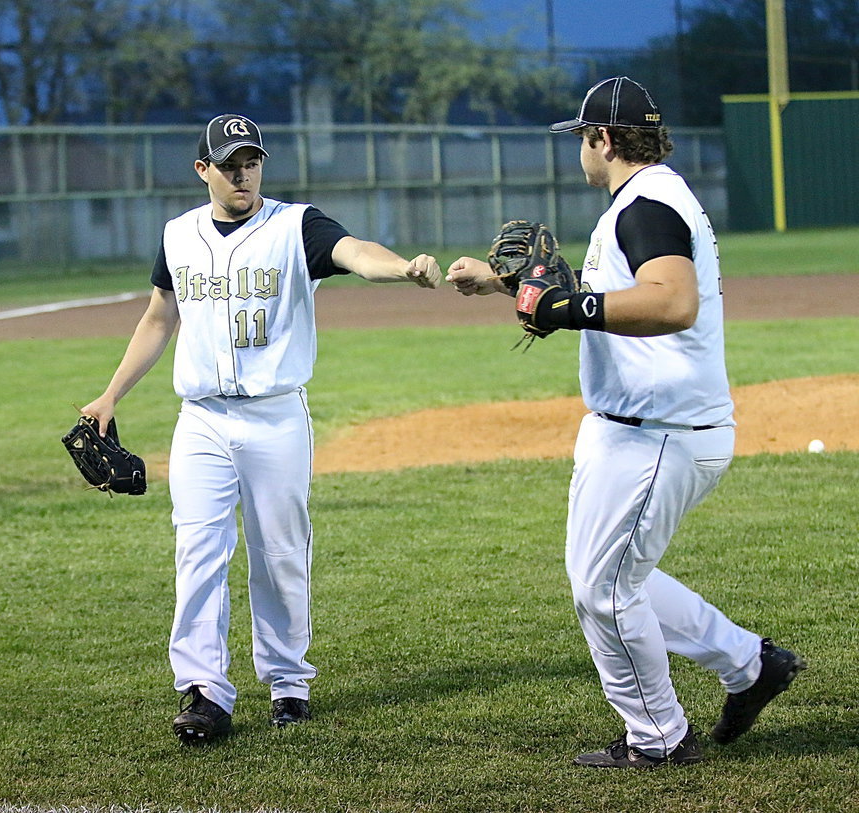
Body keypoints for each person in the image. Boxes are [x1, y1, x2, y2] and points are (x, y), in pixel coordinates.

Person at [446, 76, 804, 768]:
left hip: (662, 430)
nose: (579, 150)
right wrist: (504, 284)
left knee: (604, 589)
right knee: (609, 579)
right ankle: (750, 665)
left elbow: (673, 303)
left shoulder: (647, 206)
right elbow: (609, 292)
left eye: (582, 137)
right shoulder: (644, 201)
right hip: (633, 426)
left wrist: (567, 310)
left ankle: (660, 737)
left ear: (604, 139)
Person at [80, 113, 440, 744]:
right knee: (198, 552)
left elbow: (355, 253)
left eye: (251, 161)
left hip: (275, 416)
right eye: (229, 164)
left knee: (279, 552)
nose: (242, 173)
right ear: (203, 171)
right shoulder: (177, 235)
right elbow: (160, 316)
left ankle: (288, 681)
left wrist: (403, 267)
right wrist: (111, 393)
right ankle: (204, 692)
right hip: (201, 420)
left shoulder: (295, 225)